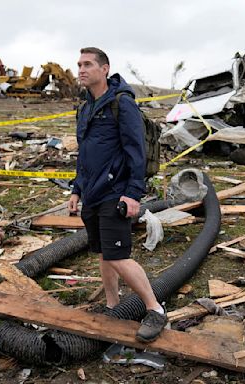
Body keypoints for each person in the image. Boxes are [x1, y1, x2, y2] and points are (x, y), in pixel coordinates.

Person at [68, 47, 167, 343]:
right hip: (92, 193)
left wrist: (133, 193)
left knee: (119, 256)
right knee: (103, 254)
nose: (81, 69)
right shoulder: (85, 107)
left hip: (116, 192)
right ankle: (113, 305)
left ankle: (155, 309)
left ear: (105, 69)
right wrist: (76, 189)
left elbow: (135, 151)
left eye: (88, 64)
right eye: (79, 64)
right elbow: (84, 154)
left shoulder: (122, 104)